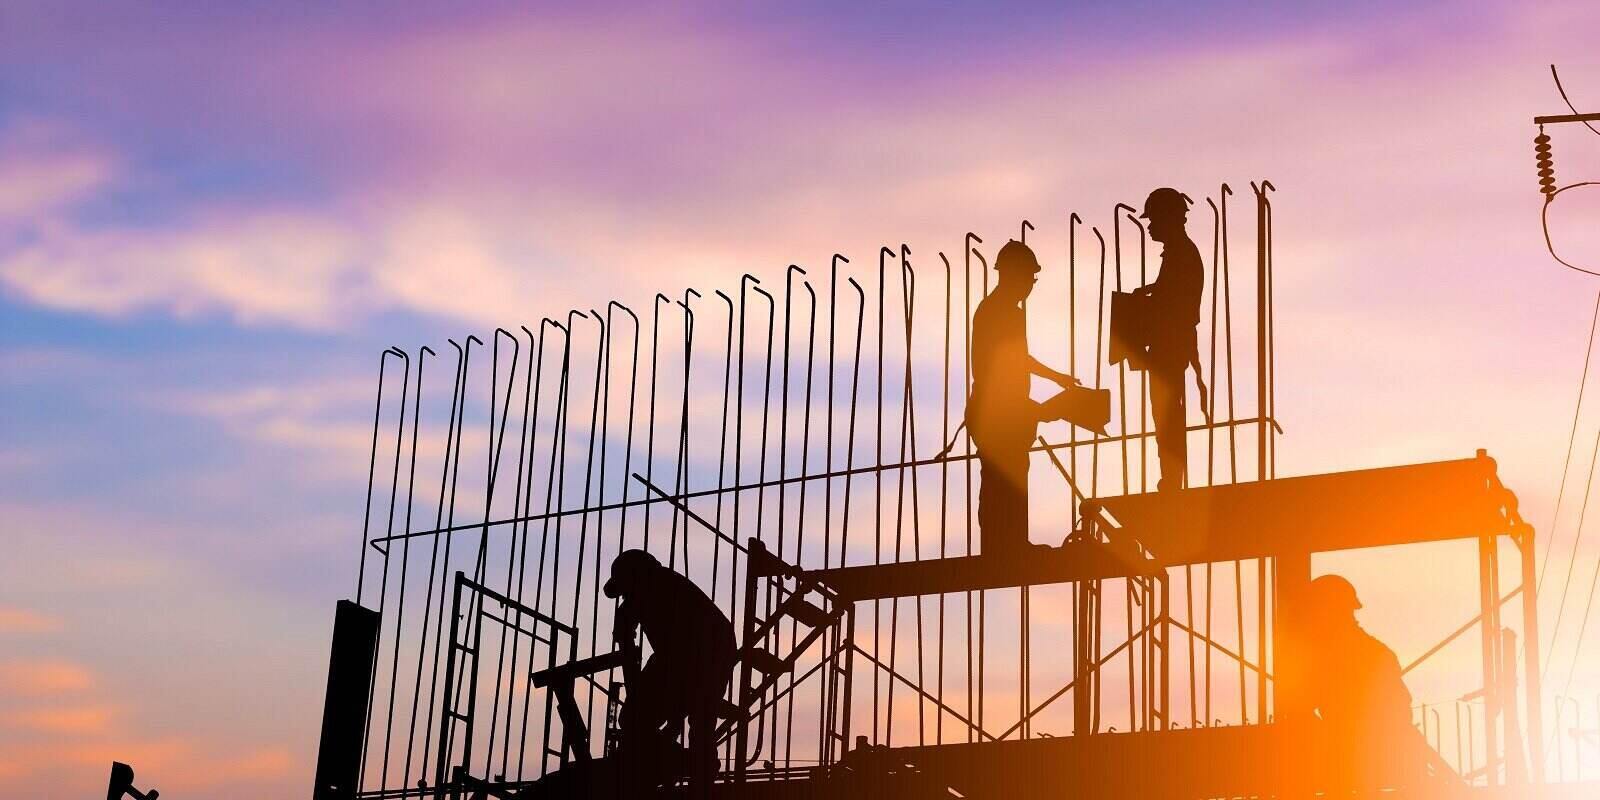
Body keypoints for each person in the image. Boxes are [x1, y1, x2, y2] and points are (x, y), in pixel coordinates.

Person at [969, 239, 1080, 556]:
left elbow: (1019, 359)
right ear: (1011, 275)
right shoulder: (996, 312)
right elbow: (1003, 365)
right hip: (996, 413)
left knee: (1013, 473)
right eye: (1028, 278)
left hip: (1007, 411)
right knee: (1001, 478)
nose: (1030, 286)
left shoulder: (1004, 311)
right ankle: (999, 546)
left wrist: (1055, 379)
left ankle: (1012, 542)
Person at [603, 549, 737, 789]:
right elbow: (637, 658)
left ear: (638, 579)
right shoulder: (651, 591)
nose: (625, 598)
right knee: (641, 719)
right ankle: (678, 762)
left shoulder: (662, 590)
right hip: (691, 655)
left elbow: (680, 657)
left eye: (626, 591)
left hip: (705, 654)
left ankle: (691, 771)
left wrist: (673, 713)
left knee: (696, 721)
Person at [1301, 574, 1431, 792]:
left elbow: (1303, 704)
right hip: (1367, 756)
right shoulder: (1373, 652)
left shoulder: (1336, 657)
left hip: (1360, 757)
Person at [1134, 188, 1205, 492]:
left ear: (1169, 219)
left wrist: (1143, 306)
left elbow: (1176, 304)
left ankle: (1173, 478)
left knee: (1167, 413)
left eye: (1154, 220)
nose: (1149, 226)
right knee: (1165, 412)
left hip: (1170, 346)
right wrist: (1148, 293)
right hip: (1170, 345)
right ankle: (1171, 475)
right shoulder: (1179, 253)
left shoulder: (1182, 254)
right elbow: (1169, 293)